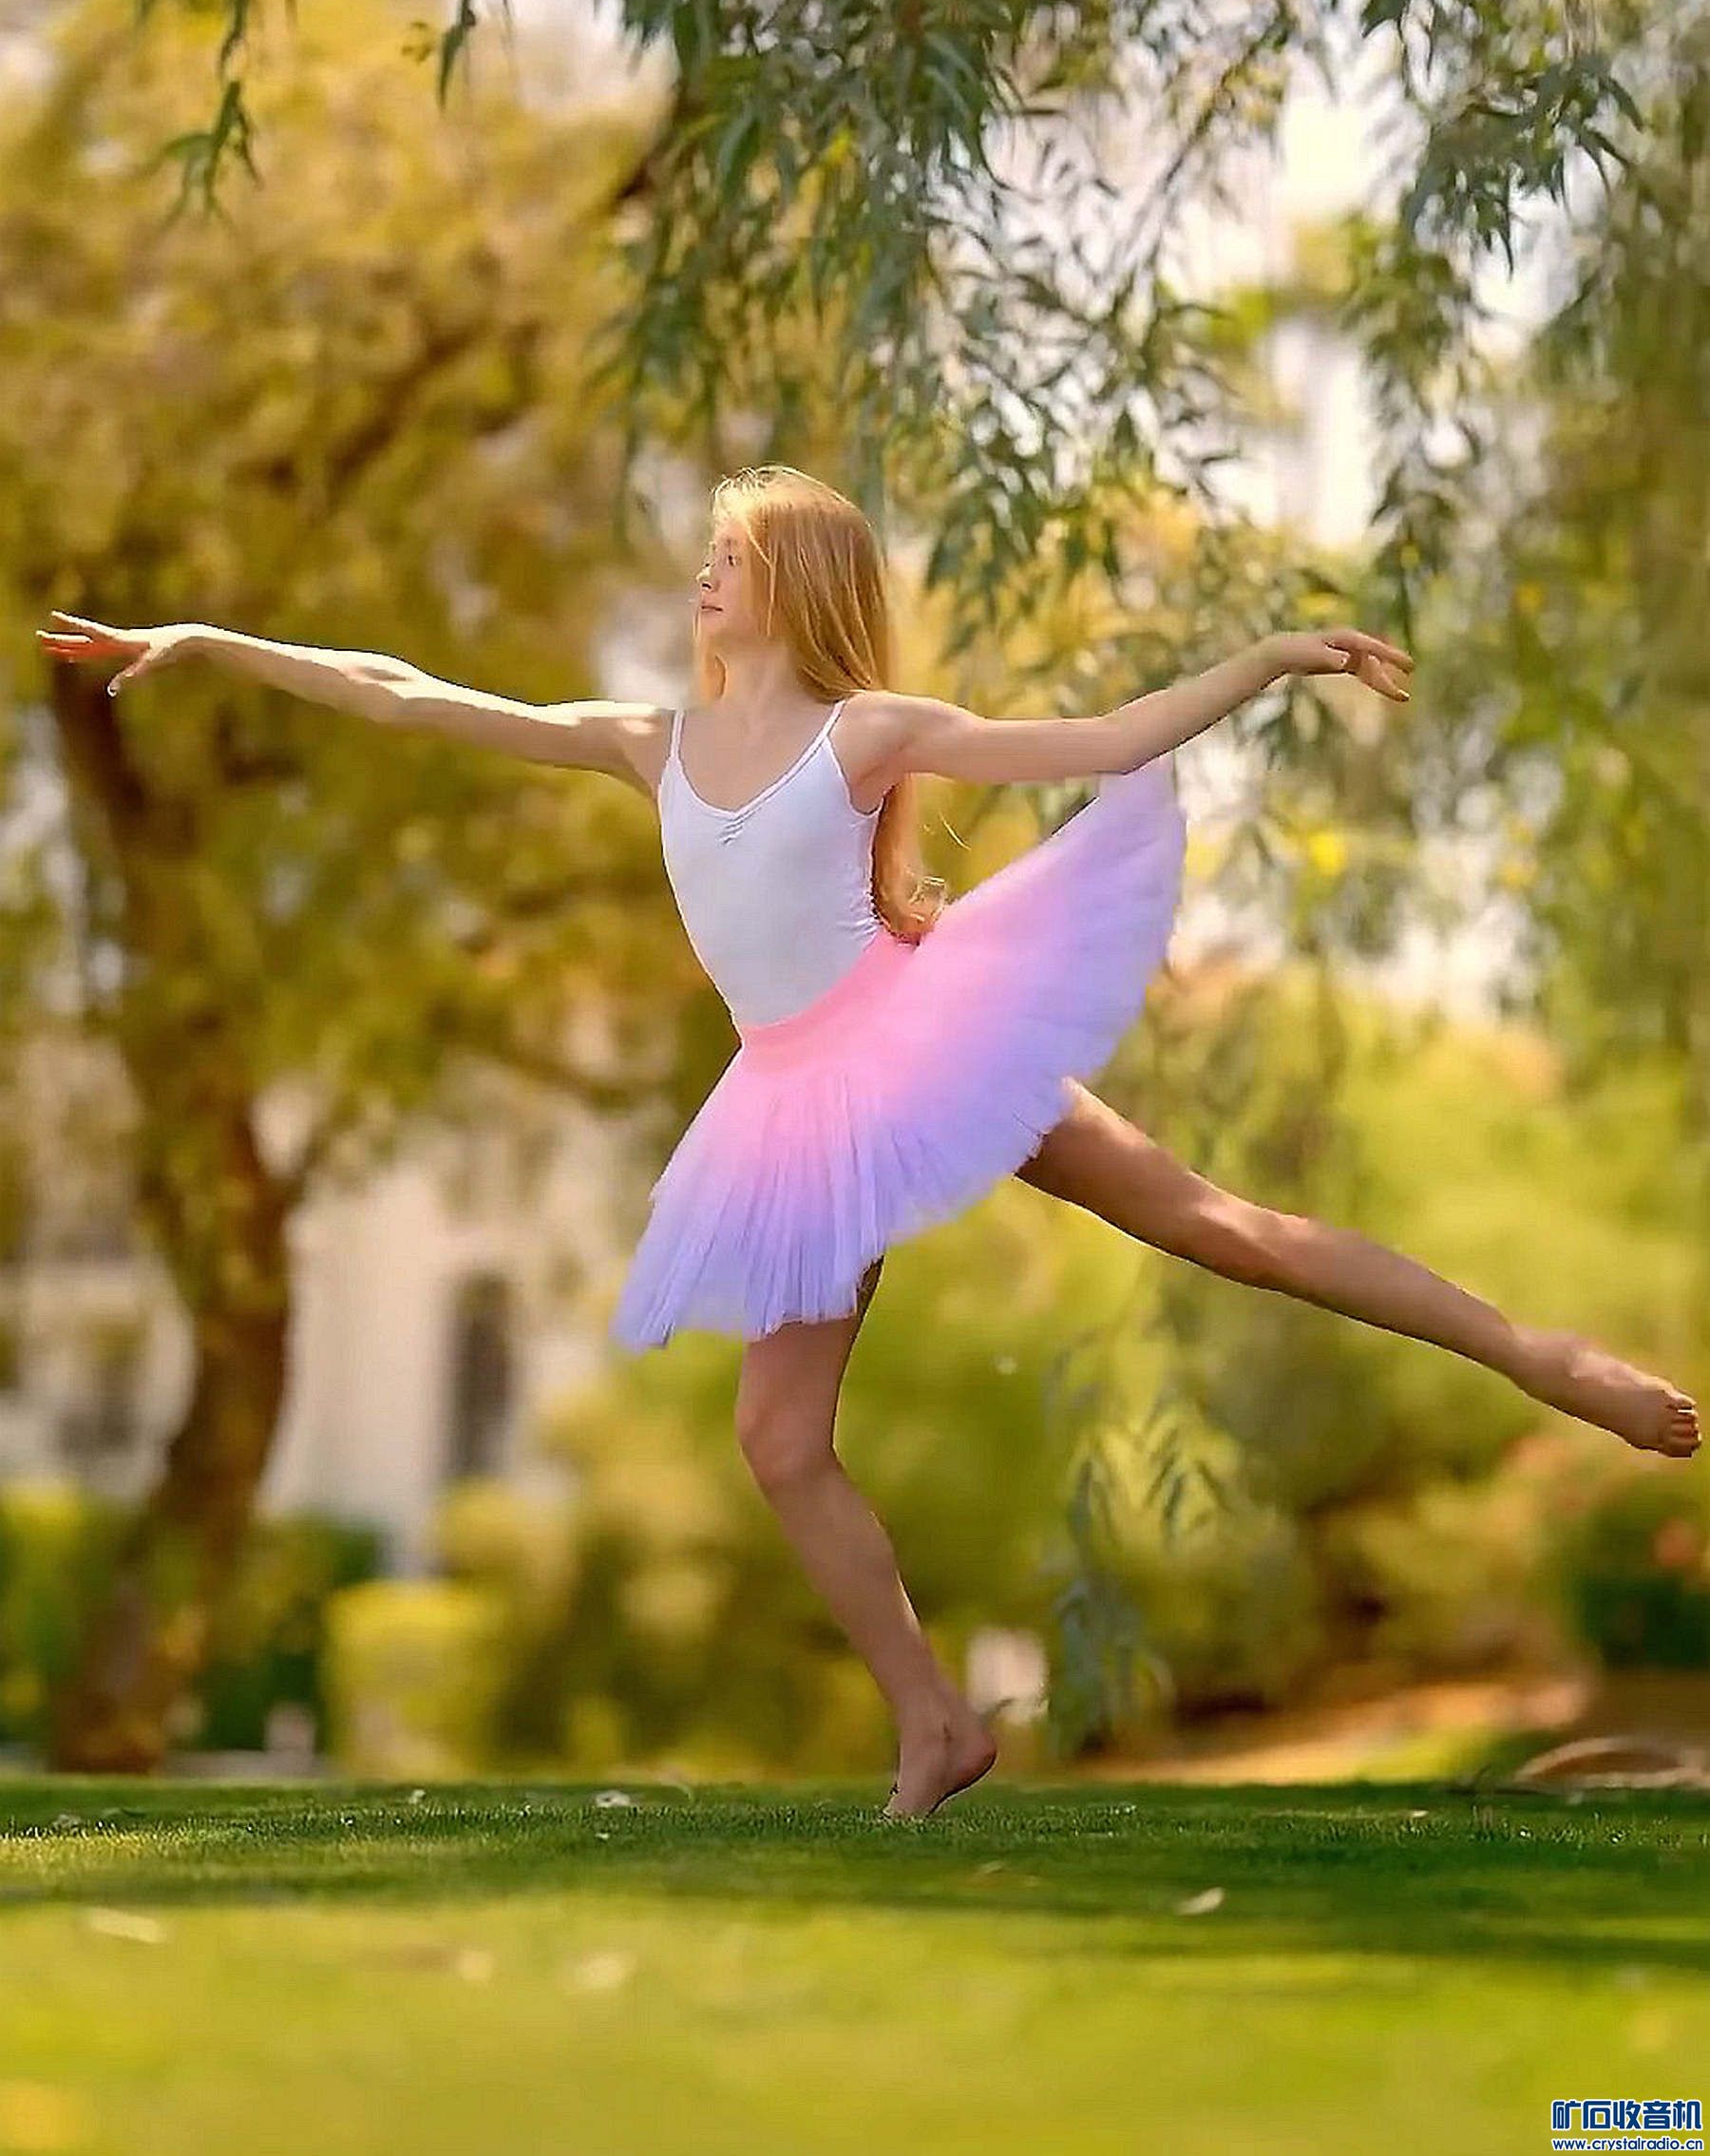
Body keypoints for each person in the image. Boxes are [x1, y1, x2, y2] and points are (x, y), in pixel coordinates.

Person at [37, 463, 1701, 1821]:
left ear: (796, 584)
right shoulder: (649, 743)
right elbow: (412, 697)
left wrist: (1270, 657)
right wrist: (211, 639)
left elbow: (1099, 744)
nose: (703, 576)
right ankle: (936, 1721)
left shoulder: (867, 731)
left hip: (922, 1037)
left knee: (1216, 1224)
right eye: (708, 554)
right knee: (779, 1439)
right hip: (792, 1104)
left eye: (731, 556)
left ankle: (1546, 1360)